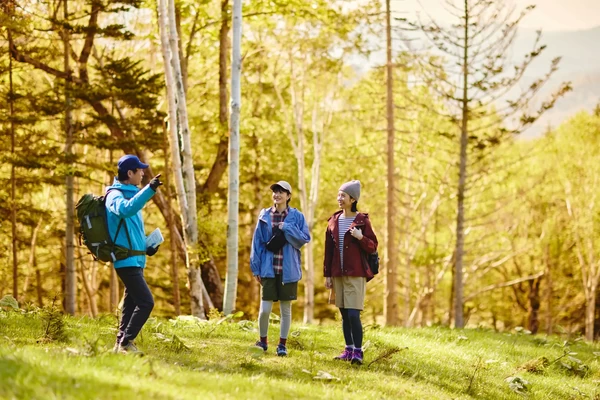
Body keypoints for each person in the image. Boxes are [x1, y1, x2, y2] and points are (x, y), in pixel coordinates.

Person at [106, 154, 163, 354]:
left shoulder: (131, 194)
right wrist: (150, 189)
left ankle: (119, 344)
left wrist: (147, 246)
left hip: (135, 258)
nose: (143, 174)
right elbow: (125, 210)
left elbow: (131, 232)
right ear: (129, 173)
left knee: (130, 305)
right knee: (146, 302)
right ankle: (126, 343)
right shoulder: (114, 195)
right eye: (140, 171)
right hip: (125, 260)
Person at [250, 181, 311, 357]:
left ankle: (282, 345)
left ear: (289, 196)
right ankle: (262, 341)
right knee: (265, 310)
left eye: (281, 192)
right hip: (268, 269)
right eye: (275, 192)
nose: (277, 195)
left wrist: (288, 228)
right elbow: (257, 243)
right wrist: (256, 268)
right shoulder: (265, 216)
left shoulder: (297, 217)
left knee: (285, 310)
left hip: (288, 270)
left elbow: (304, 239)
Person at [323, 180, 378, 365]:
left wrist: (360, 237)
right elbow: (328, 251)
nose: (339, 198)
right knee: (345, 314)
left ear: (353, 199)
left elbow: (373, 246)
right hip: (338, 273)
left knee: (354, 314)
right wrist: (327, 275)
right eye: (338, 195)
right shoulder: (333, 221)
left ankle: (358, 351)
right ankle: (348, 349)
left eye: (343, 195)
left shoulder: (362, 221)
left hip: (356, 273)